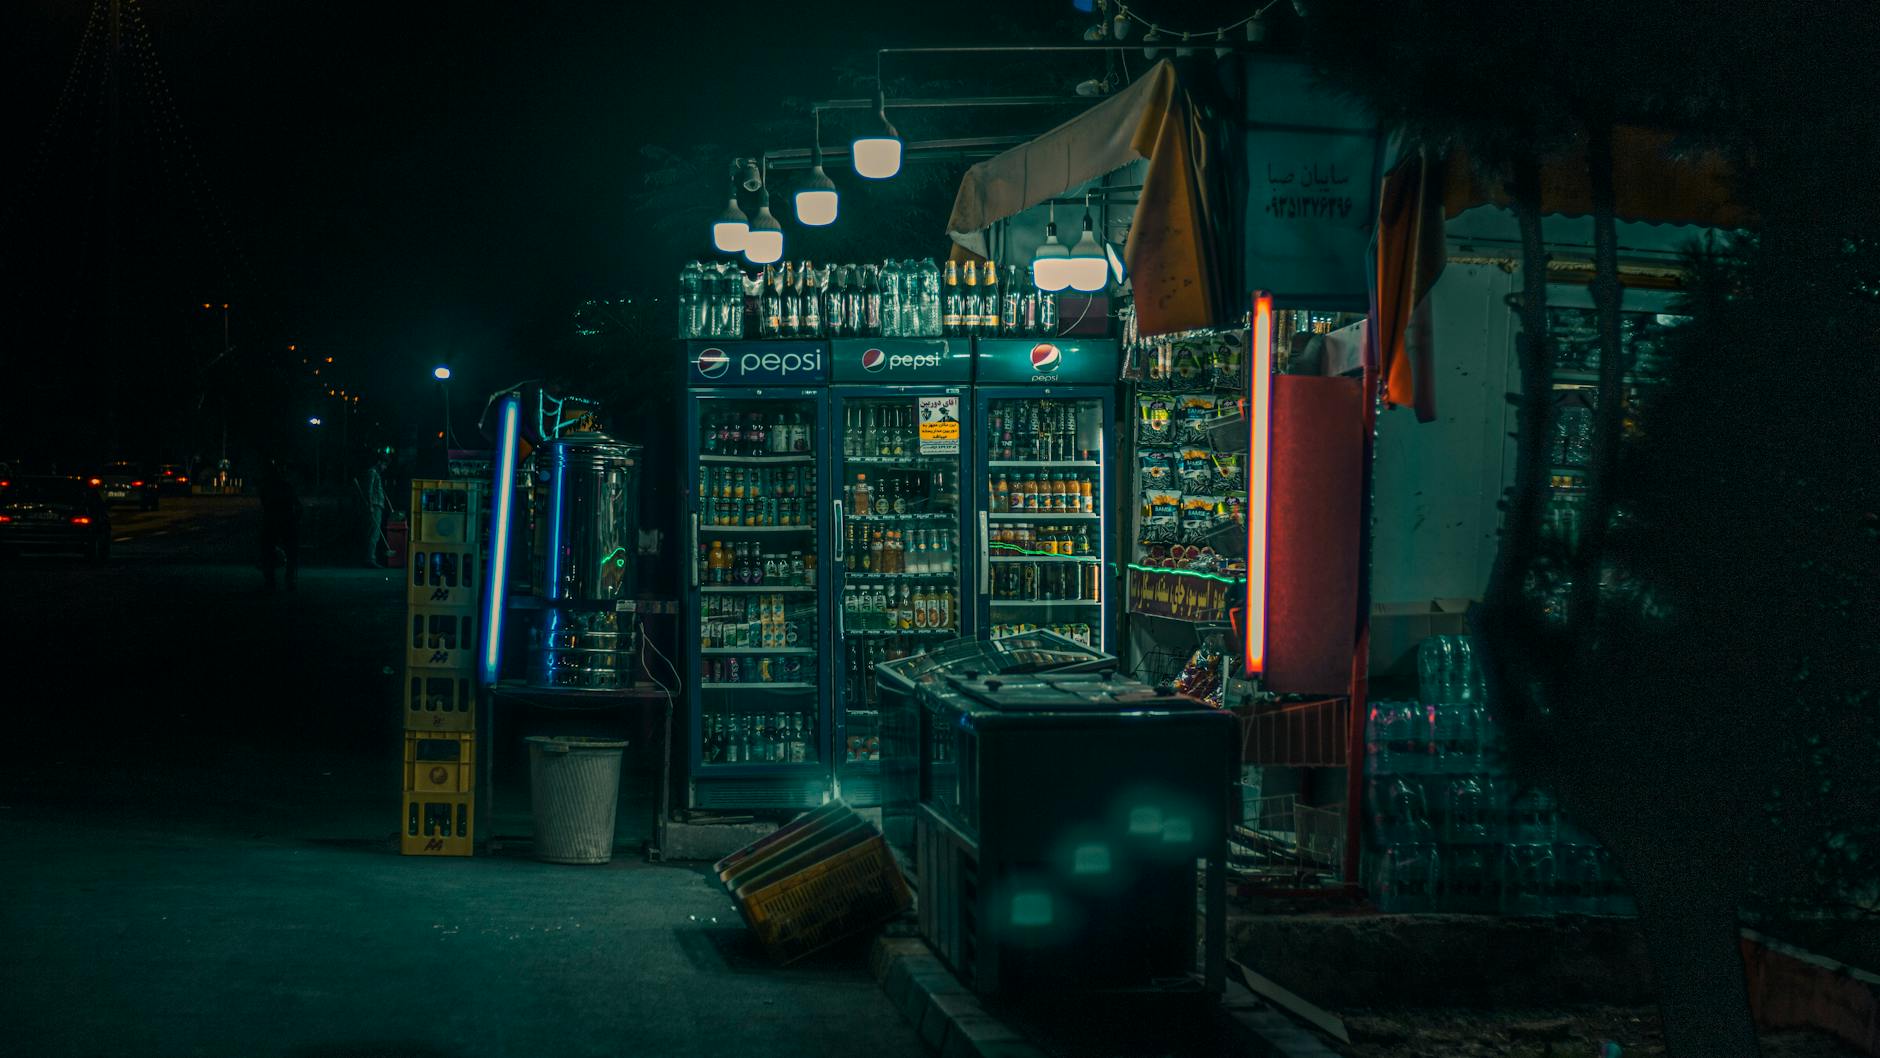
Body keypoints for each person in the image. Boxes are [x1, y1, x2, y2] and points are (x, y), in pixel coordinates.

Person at [258, 460, 301, 591]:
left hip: (272, 521)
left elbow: (264, 504)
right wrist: (296, 519)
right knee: (291, 551)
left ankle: (271, 581)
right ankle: (289, 580)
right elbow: (298, 506)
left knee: (268, 550)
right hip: (287, 521)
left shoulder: (266, 487)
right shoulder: (286, 486)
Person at [361, 452, 390, 568]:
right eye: (384, 465)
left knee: (375, 533)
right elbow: (369, 490)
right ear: (379, 462)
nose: (385, 468)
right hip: (375, 506)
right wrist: (371, 506)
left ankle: (370, 557)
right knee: (373, 533)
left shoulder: (377, 474)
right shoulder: (372, 473)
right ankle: (370, 559)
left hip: (378, 506)